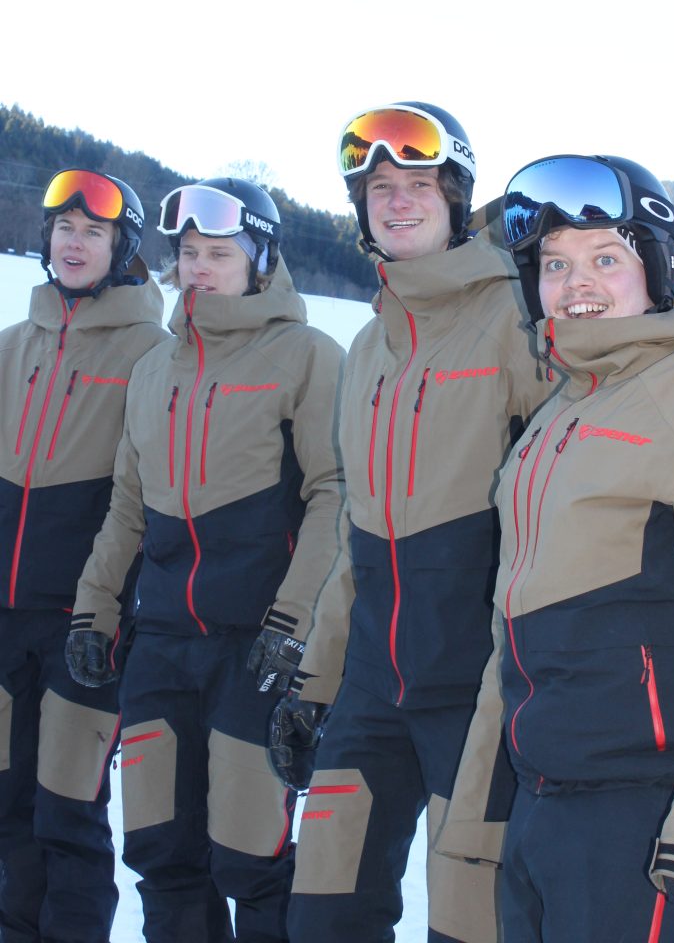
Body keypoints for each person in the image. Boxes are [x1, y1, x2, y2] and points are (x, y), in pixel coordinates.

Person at [438, 153, 674, 942]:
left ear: (656, 269)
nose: (578, 284)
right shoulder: (558, 417)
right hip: (539, 813)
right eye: (555, 264)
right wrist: (476, 828)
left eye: (606, 257)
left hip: (647, 825)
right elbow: (511, 642)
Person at [263, 103, 547, 943]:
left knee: (471, 926)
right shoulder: (368, 348)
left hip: (480, 695)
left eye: (419, 184)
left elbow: (567, 514)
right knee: (323, 915)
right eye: (379, 186)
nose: (397, 200)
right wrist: (316, 682)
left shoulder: (518, 322)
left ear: (456, 197)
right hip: (370, 695)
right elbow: (358, 539)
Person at [65, 177, 346, 943]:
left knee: (252, 859)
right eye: (189, 252)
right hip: (161, 648)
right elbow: (127, 505)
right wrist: (95, 609)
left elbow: (335, 495)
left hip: (256, 648)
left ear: (261, 259)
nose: (198, 267)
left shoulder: (307, 357)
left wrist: (293, 626)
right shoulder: (156, 368)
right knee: (163, 854)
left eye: (219, 253)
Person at [0, 168, 166, 943]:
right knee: (8, 807)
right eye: (64, 228)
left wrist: (111, 613)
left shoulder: (150, 354)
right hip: (4, 623)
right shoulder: (12, 346)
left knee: (68, 813)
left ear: (121, 247)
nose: (74, 242)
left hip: (85, 626)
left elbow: (145, 498)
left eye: (93, 231)